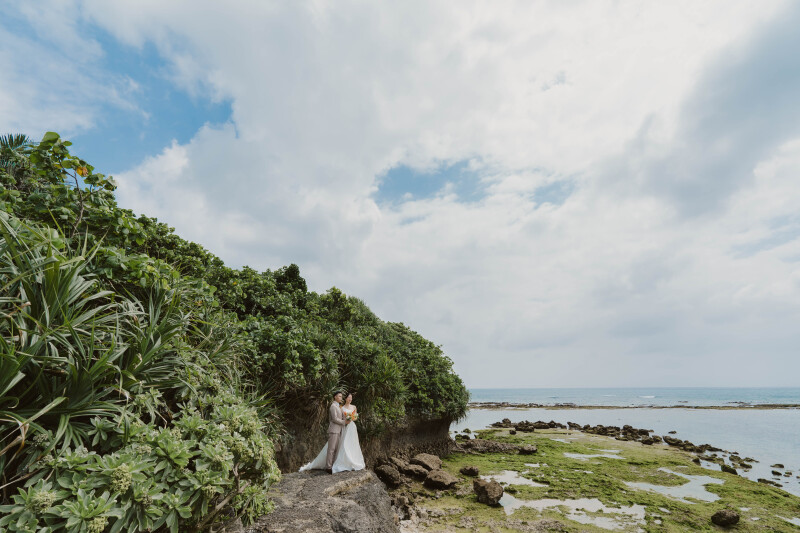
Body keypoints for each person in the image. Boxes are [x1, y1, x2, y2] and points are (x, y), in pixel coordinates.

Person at [299, 391, 365, 474]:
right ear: (335, 397)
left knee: (337, 448)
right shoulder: (333, 406)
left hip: (342, 429)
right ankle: (328, 466)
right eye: (339, 396)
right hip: (335, 429)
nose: (341, 398)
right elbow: (334, 419)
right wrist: (345, 422)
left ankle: (333, 464)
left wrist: (350, 419)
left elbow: (350, 417)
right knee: (331, 449)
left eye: (341, 396)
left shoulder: (339, 406)